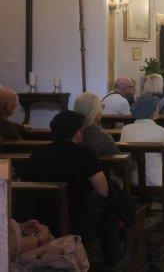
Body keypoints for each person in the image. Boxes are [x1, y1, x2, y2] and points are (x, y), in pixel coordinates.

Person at [24, 111, 121, 269]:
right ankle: (111, 261)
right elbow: (103, 191)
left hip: (38, 219)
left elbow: (26, 185)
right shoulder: (84, 154)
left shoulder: (37, 153)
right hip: (74, 220)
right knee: (108, 211)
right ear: (77, 133)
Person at [120, 95, 164, 188]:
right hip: (158, 179)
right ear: (154, 113)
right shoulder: (161, 131)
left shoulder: (125, 129)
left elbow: (124, 154)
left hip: (132, 179)